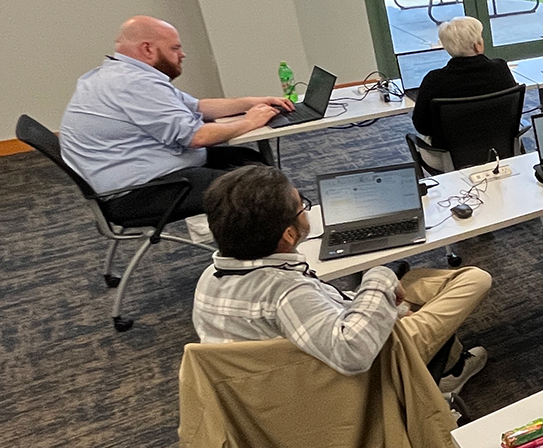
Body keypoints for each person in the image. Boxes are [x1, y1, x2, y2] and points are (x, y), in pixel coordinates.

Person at [191, 164, 491, 394]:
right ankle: (445, 374)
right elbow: (352, 352)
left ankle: (450, 365)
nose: (306, 211)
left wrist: (380, 300)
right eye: (302, 206)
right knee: (475, 279)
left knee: (410, 280)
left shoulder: (208, 279)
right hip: (369, 367)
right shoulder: (285, 292)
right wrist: (379, 278)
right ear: (289, 234)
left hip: (278, 386)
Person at [59, 16, 291, 222]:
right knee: (259, 189)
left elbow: (197, 106)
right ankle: (268, 242)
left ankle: (252, 234)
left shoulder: (119, 74)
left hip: (141, 174)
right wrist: (249, 122)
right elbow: (196, 137)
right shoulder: (135, 84)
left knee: (248, 160)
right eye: (175, 48)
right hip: (139, 192)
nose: (182, 54)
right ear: (147, 49)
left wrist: (252, 102)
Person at [410, 15, 520, 150]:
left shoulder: (434, 80)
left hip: (451, 155)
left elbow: (422, 126)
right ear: (477, 46)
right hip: (502, 147)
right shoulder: (500, 69)